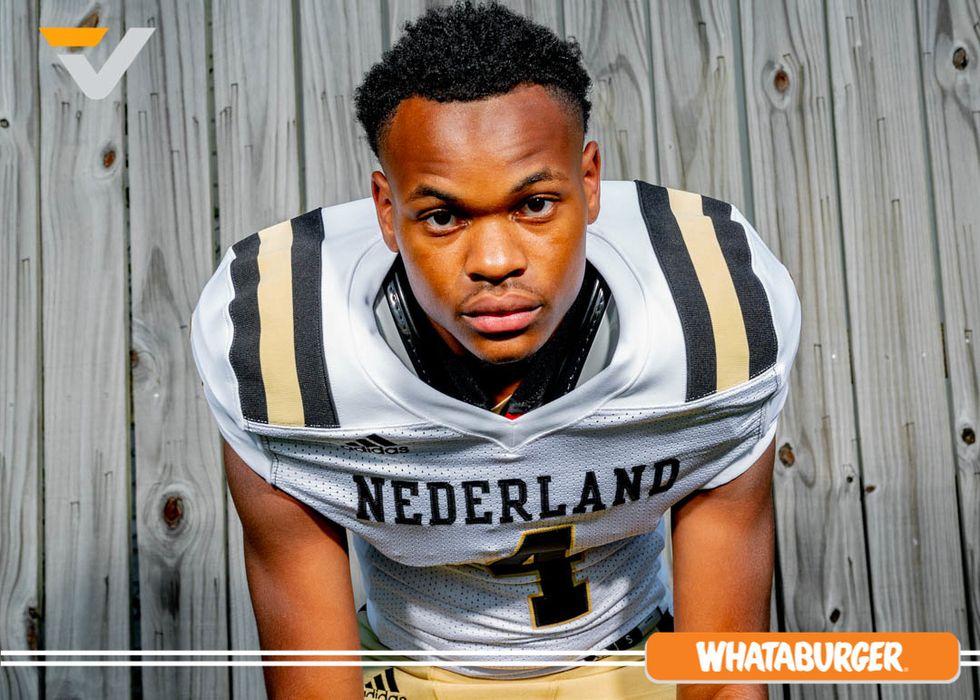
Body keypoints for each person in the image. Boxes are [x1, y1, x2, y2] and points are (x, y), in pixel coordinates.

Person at [190, 2, 801, 698]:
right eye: (444, 216)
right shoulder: (282, 341)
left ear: (590, 183)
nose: (495, 261)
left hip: (633, 663)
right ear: (386, 211)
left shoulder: (711, 314)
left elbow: (722, 681)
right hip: (408, 672)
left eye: (533, 204)